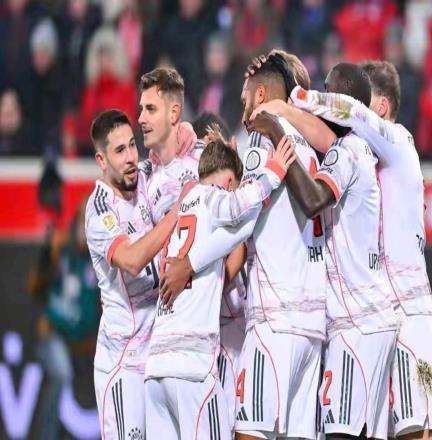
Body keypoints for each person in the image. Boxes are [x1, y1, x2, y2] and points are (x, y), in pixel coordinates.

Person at [160, 54, 326, 440]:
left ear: (261, 95)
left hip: (274, 320)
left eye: (244, 100)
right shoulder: (310, 144)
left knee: (249, 431)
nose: (243, 110)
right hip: (312, 323)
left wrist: (190, 263)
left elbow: (241, 220)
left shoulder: (263, 140)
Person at [288, 60, 432, 439]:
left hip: (410, 312)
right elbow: (327, 136)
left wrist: (295, 98)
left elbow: (350, 111)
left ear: (381, 107)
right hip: (378, 312)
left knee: (416, 430)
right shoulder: (362, 153)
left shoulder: (398, 142)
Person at [252, 61, 397, 440]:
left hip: (357, 322)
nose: (320, 96)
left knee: (339, 434)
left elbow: (315, 200)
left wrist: (278, 137)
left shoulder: (347, 152)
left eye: (327, 89)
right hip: (372, 318)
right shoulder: (358, 148)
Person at [145, 129, 295, 439]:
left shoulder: (183, 207)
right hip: (191, 367)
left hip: (156, 367)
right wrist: (273, 171)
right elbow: (240, 210)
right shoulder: (211, 195)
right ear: (228, 184)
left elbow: (236, 232)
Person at [85, 109, 188, 439]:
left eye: (132, 145)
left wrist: (185, 132)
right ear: (101, 160)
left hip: (159, 354)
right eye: (119, 151)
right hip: (124, 362)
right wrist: (176, 213)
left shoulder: (144, 175)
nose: (131, 157)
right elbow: (131, 260)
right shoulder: (100, 210)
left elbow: (175, 143)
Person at [30, 200, 100, 440]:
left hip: (80, 342)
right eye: (82, 222)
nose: (84, 231)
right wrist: (46, 255)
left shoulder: (98, 262)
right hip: (52, 334)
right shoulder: (61, 249)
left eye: (90, 224)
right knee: (61, 373)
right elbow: (34, 288)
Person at [138, 67, 200, 225]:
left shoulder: (204, 159)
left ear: (174, 113)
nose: (141, 119)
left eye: (151, 109)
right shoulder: (143, 179)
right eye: (142, 109)